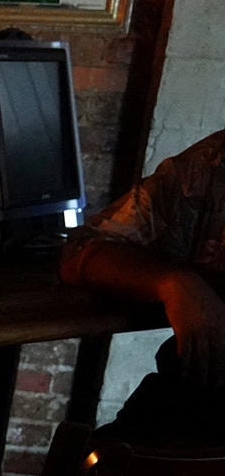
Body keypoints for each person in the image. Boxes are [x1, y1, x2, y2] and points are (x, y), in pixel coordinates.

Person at [57, 130, 224, 447]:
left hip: (201, 442)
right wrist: (172, 283)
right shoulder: (212, 165)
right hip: (184, 415)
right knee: (82, 472)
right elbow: (82, 251)